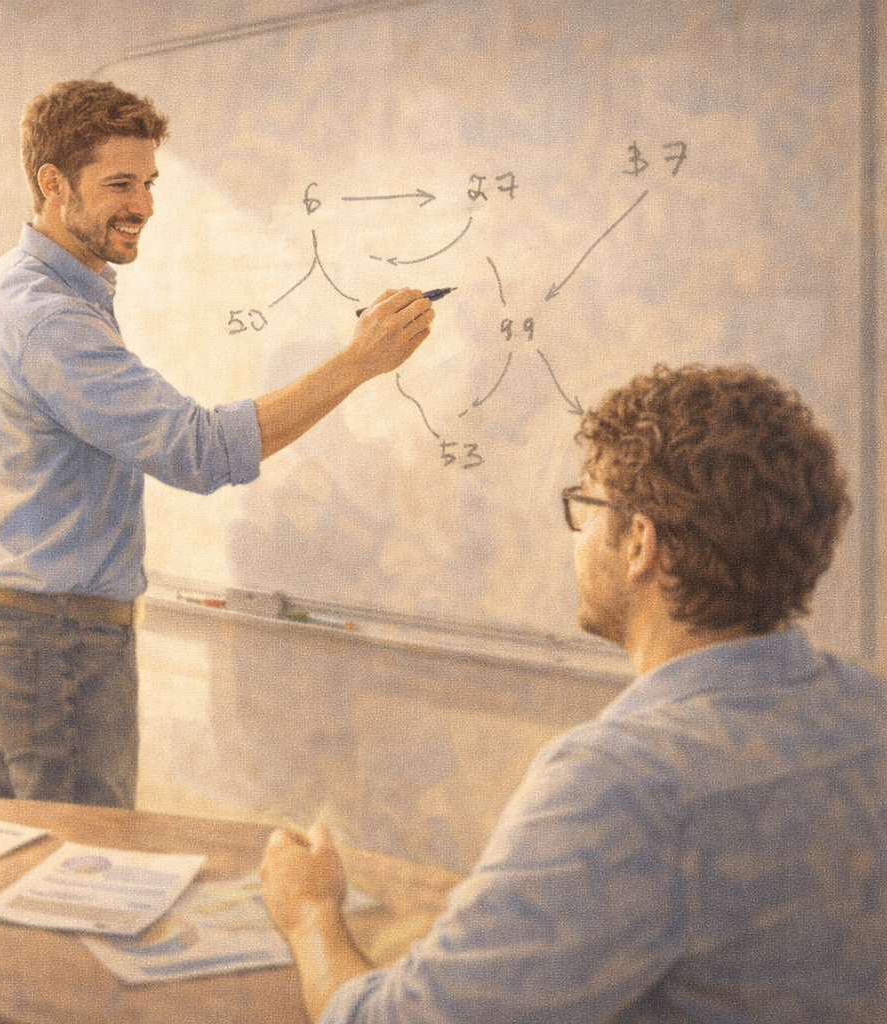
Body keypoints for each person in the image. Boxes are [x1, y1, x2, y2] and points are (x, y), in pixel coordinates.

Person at [260, 362, 887, 1023]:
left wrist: (309, 915)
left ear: (640, 543)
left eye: (585, 507)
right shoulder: (869, 712)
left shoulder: (623, 783)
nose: (577, 537)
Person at [0, 78, 436, 809]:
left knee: (33, 864)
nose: (143, 205)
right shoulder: (49, 319)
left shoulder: (16, 284)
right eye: (120, 183)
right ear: (52, 184)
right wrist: (360, 361)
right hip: (53, 646)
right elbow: (201, 450)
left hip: (23, 634)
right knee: (81, 873)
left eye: (147, 182)